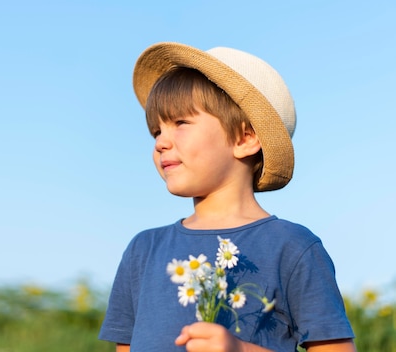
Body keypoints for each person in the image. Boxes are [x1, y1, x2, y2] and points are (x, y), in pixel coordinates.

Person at [98, 42, 356, 352]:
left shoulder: (293, 247)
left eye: (180, 123)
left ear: (245, 138)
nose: (161, 142)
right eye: (156, 131)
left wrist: (241, 349)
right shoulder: (143, 250)